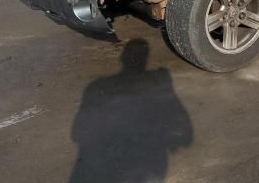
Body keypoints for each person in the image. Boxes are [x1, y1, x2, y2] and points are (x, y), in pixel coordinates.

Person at [69, 39, 193, 182]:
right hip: (149, 165)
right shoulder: (157, 83)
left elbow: (77, 133)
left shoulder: (96, 87)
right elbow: (184, 135)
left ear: (121, 59)